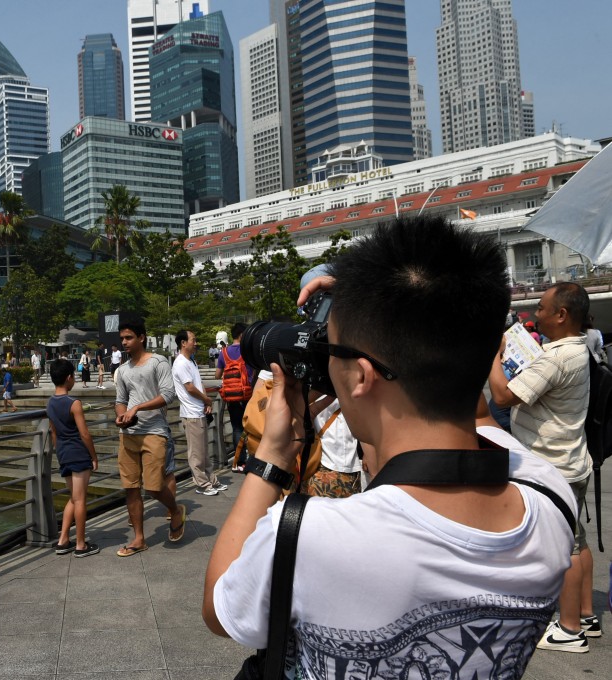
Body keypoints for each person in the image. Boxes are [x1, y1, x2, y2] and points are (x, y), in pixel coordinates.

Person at [204, 216, 576, 678]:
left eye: (331, 352)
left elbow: (220, 607)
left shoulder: (313, 536)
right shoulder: (551, 496)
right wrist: (391, 305)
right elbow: (472, 404)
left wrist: (273, 460)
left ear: (360, 376)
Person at [489, 281, 598, 651]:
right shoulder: (575, 349)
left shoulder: (558, 357)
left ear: (561, 315)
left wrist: (494, 356)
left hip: (552, 464)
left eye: (541, 308)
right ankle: (585, 614)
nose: (537, 314)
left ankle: (569, 630)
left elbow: (503, 396)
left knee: (561, 547)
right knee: (576, 539)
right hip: (570, 459)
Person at [114, 318, 185, 555]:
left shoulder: (158, 362)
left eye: (129, 337)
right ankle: (139, 539)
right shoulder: (122, 370)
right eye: (122, 338)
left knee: (154, 487)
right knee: (131, 488)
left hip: (154, 431)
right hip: (128, 434)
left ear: (141, 337)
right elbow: (120, 400)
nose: (124, 342)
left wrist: (138, 409)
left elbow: (168, 395)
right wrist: (122, 415)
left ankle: (175, 510)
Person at [46, 359, 100, 557]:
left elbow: (54, 433)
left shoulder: (50, 403)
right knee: (80, 499)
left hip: (63, 453)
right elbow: (84, 433)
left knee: (73, 498)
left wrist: (58, 451)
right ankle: (80, 545)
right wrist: (93, 456)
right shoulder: (73, 403)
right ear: (69, 378)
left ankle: (63, 540)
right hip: (78, 452)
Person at [172, 329, 226, 495]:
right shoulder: (180, 363)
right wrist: (206, 400)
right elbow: (189, 388)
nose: (195, 343)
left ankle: (211, 481)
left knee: (203, 452)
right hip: (191, 414)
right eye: (193, 340)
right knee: (196, 454)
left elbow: (198, 383)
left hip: (199, 411)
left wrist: (206, 401)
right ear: (183, 343)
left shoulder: (191, 361)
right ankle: (202, 485)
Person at [216, 322, 253, 466]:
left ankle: (239, 461)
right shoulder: (248, 350)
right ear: (242, 335)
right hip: (248, 395)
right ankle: (253, 457)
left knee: (237, 428)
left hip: (232, 397)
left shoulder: (223, 353)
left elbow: (217, 375)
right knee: (252, 426)